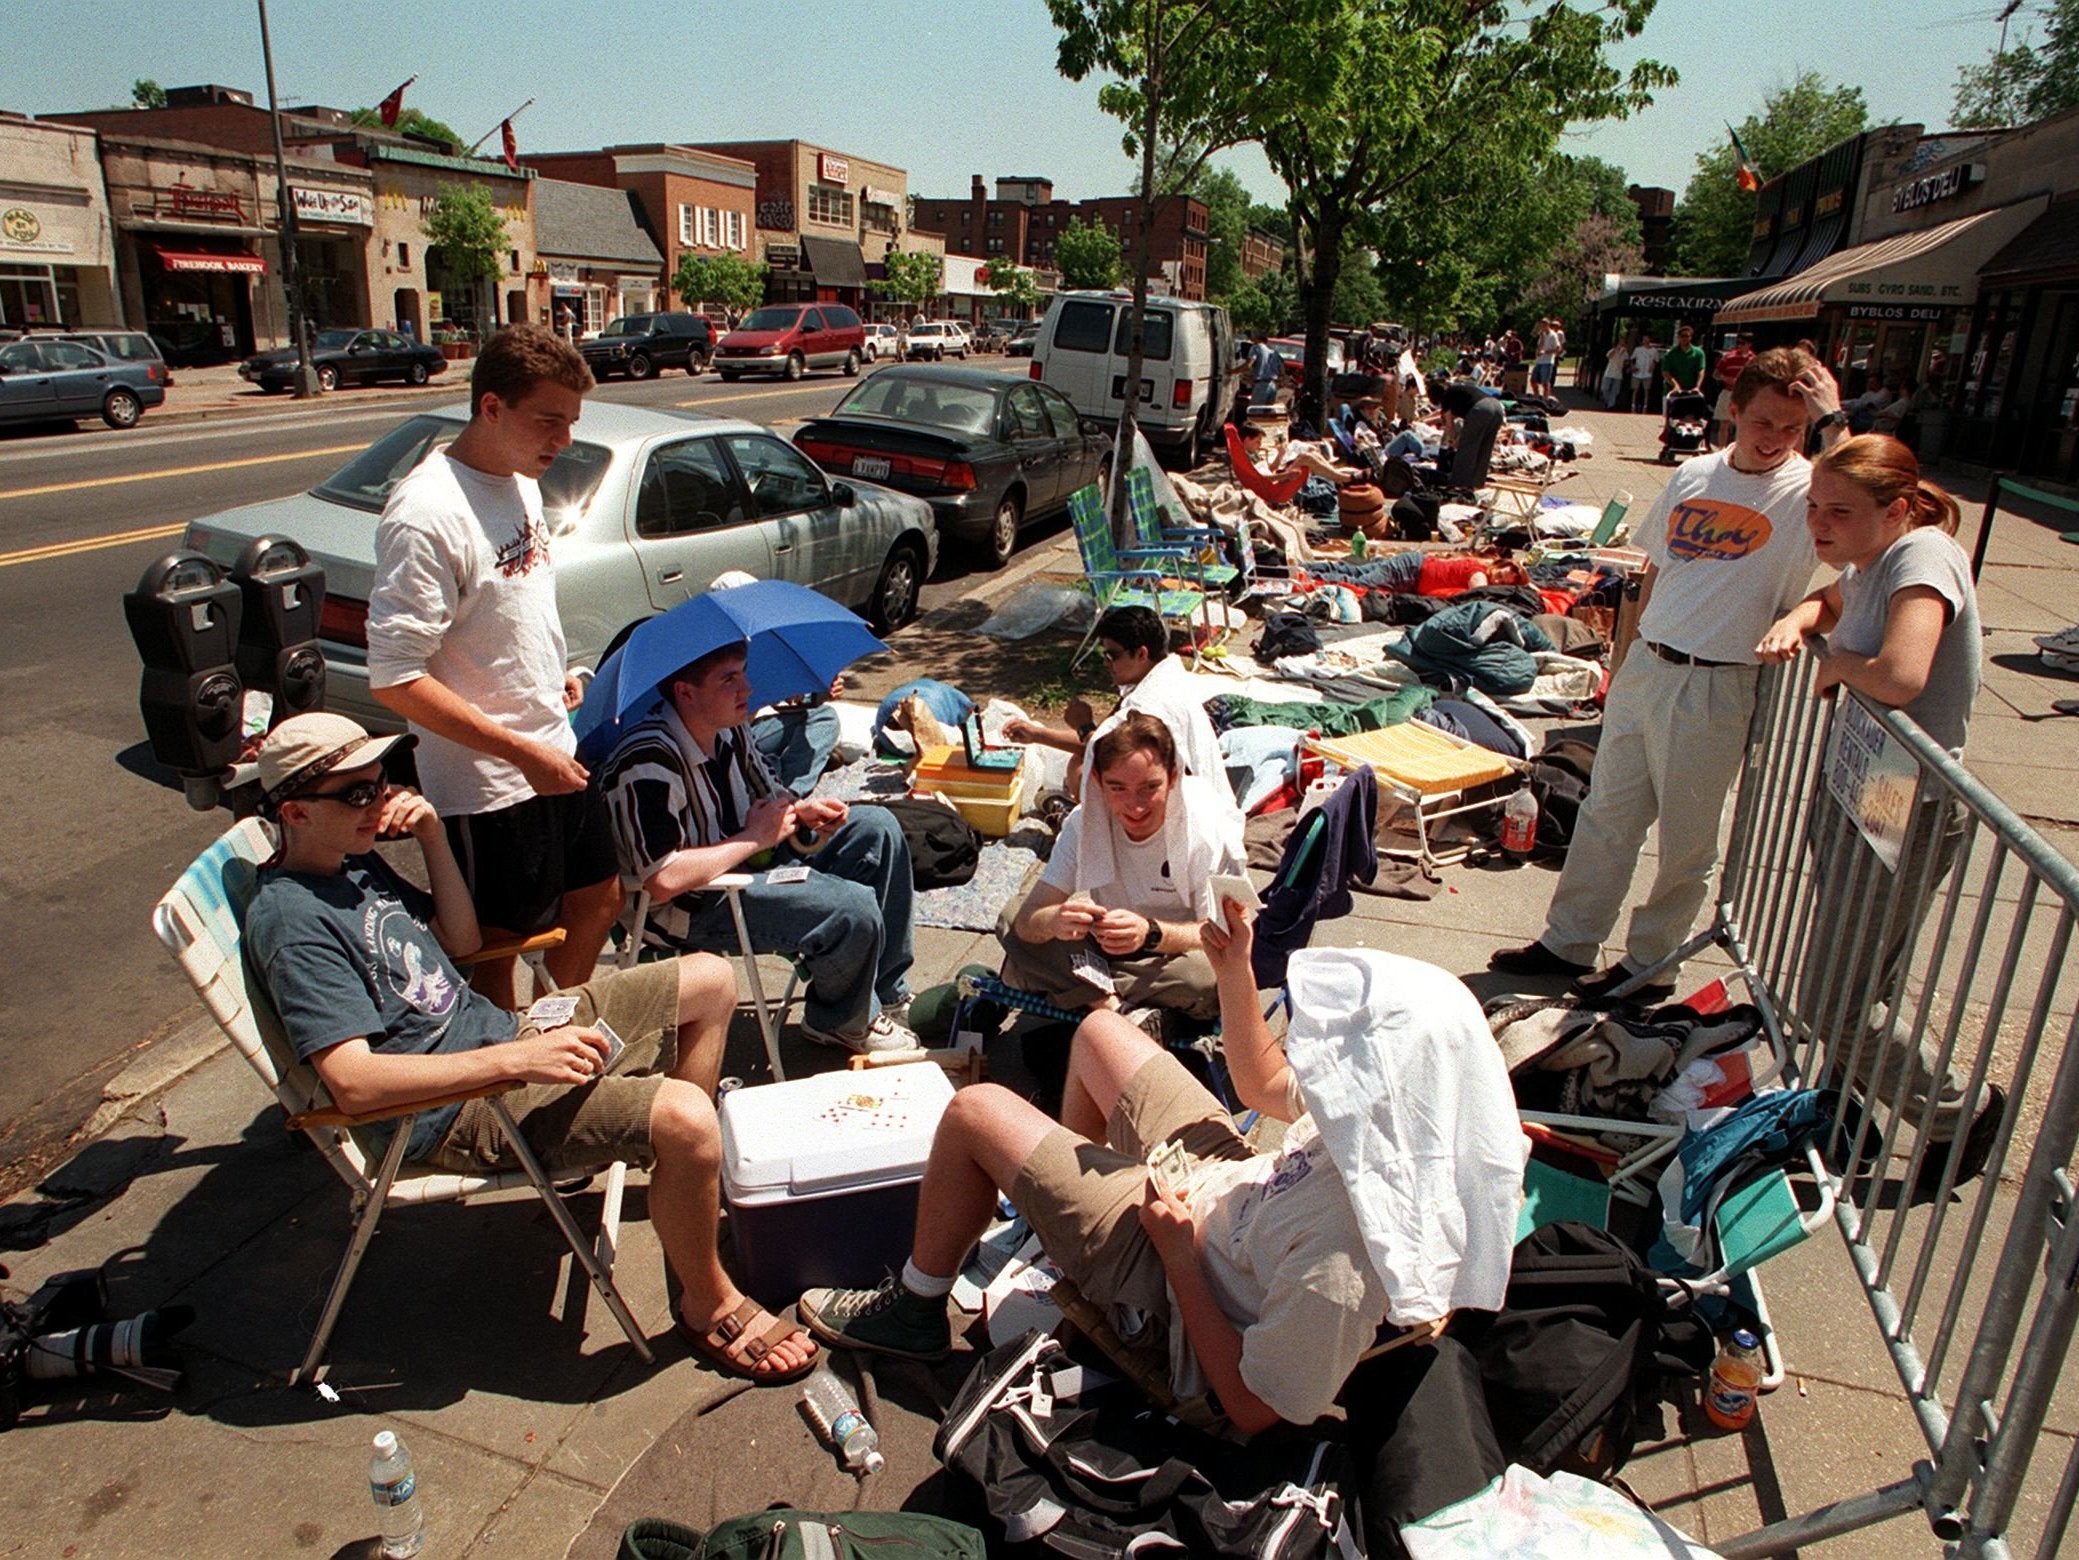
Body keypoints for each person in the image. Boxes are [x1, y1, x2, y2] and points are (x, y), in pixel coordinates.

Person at [242, 713, 817, 1383]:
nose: (381, 801)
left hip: (502, 1040)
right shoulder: (294, 924)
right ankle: (705, 1296)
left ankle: (682, 1190)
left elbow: (459, 944)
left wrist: (431, 835)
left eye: (382, 783)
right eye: (358, 793)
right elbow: (354, 1085)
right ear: (295, 811)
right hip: (456, 1106)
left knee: (711, 981)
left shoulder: (351, 866)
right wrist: (518, 1061)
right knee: (686, 1117)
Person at [797, 914, 1521, 1438]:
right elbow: (1263, 1082)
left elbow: (1251, 1409)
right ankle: (1057, 1229)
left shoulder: (1344, 1262)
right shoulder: (1395, 1117)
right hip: (1234, 1189)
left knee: (976, 1111)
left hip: (1179, 1268)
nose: (1317, 1055)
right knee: (1100, 1033)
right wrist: (1235, 970)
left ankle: (915, 1312)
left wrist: (1175, 1253)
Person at [1493, 348, 1845, 1004]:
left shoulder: (1808, 489)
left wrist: (1830, 415)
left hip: (1717, 682)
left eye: (1791, 428)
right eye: (1763, 422)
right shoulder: (1694, 475)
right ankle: (1567, 940)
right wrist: (1624, 660)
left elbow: (1865, 484)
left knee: (1685, 838)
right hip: (1648, 666)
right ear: (1732, 412)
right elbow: (1655, 570)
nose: (1774, 440)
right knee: (1607, 814)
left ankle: (1650, 964)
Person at [1755, 434, 2001, 1192]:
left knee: (1831, 998)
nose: (1817, 525)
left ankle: (1957, 1110)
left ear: (1895, 509)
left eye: (1838, 511)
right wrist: (1802, 617)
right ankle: (1847, 1108)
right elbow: (1834, 598)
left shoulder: (1920, 558)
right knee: (1860, 982)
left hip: (1908, 805)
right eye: (1812, 507)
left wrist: (1834, 665)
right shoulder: (1873, 559)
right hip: (1862, 792)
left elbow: (1900, 673)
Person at [367, 323, 621, 1010]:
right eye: (548, 420)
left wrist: (556, 669)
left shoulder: (520, 483)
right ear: (490, 407)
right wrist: (516, 750)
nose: (563, 441)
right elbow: (393, 677)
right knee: (501, 945)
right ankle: (502, 1085)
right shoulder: (426, 514)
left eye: (571, 421)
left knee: (600, 896)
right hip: (485, 783)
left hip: (549, 743)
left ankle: (550, 1033)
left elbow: (511, 603)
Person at [598, 640, 919, 1056]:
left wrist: (803, 819)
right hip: (688, 907)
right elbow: (663, 880)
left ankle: (887, 993)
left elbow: (772, 805)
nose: (747, 689)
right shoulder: (646, 763)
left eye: (743, 673)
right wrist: (754, 838)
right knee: (848, 906)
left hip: (748, 865)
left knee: (878, 828)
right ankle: (839, 1021)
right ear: (685, 692)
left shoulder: (730, 731)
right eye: (729, 679)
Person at [998, 713, 1244, 1024]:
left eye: (1149, 788)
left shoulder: (1203, 830)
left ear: (1172, 778)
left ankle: (1058, 981)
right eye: (1118, 789)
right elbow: (1029, 917)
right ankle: (1110, 1006)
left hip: (1171, 957)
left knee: (1204, 979)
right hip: (1107, 948)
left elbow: (1220, 933)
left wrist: (1151, 932)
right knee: (1014, 919)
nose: (1135, 806)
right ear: (1098, 782)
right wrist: (1055, 921)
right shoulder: (1083, 823)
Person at [1004, 605, 1230, 802]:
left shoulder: (1148, 703)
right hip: (1193, 796)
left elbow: (1105, 750)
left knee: (1084, 771)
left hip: (1181, 808)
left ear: (1142, 654)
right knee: (1081, 763)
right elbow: (1101, 739)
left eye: (1112, 656)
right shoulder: (1162, 678)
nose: (1107, 663)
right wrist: (1035, 734)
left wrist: (1083, 726)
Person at [1435, 377, 1507, 490]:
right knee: (1484, 450)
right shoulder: (1459, 391)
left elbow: (1450, 425)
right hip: (1497, 408)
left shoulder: (1447, 398)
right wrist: (1459, 439)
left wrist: (1454, 441)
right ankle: (1476, 485)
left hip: (1481, 410)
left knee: (1466, 452)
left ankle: (1458, 487)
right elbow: (1468, 427)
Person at [1713, 332, 1756, 446]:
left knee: (1742, 424)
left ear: (1749, 344)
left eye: (1742, 343)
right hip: (1728, 392)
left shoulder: (1753, 360)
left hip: (1744, 394)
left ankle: (1738, 449)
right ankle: (1722, 449)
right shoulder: (1728, 357)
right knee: (1724, 423)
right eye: (1738, 343)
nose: (1739, 346)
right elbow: (1716, 374)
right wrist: (1726, 378)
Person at [1661, 323, 1706, 403]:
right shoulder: (1671, 354)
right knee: (1673, 413)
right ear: (1678, 337)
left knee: (1692, 414)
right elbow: (1665, 372)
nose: (1684, 338)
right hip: (1673, 391)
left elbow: (1701, 371)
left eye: (1687, 336)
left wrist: (1697, 387)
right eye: (1682, 336)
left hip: (1691, 391)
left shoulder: (1699, 353)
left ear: (1691, 337)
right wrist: (1676, 385)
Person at [1630, 334, 1660, 414]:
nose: (1645, 341)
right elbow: (1632, 359)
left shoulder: (1654, 351)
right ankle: (1633, 406)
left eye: (1647, 339)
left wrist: (1652, 367)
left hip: (1647, 373)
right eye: (1644, 339)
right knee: (1635, 390)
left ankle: (1645, 407)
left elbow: (1656, 361)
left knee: (1646, 390)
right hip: (1637, 372)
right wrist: (1633, 367)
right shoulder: (1638, 349)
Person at [1601, 340, 1629, 410]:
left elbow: (1626, 362)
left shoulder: (1625, 353)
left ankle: (1611, 405)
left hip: (1618, 375)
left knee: (1615, 391)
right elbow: (1609, 356)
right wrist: (1616, 350)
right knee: (1605, 388)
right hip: (1609, 373)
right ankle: (1608, 401)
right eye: (1620, 344)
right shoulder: (1612, 351)